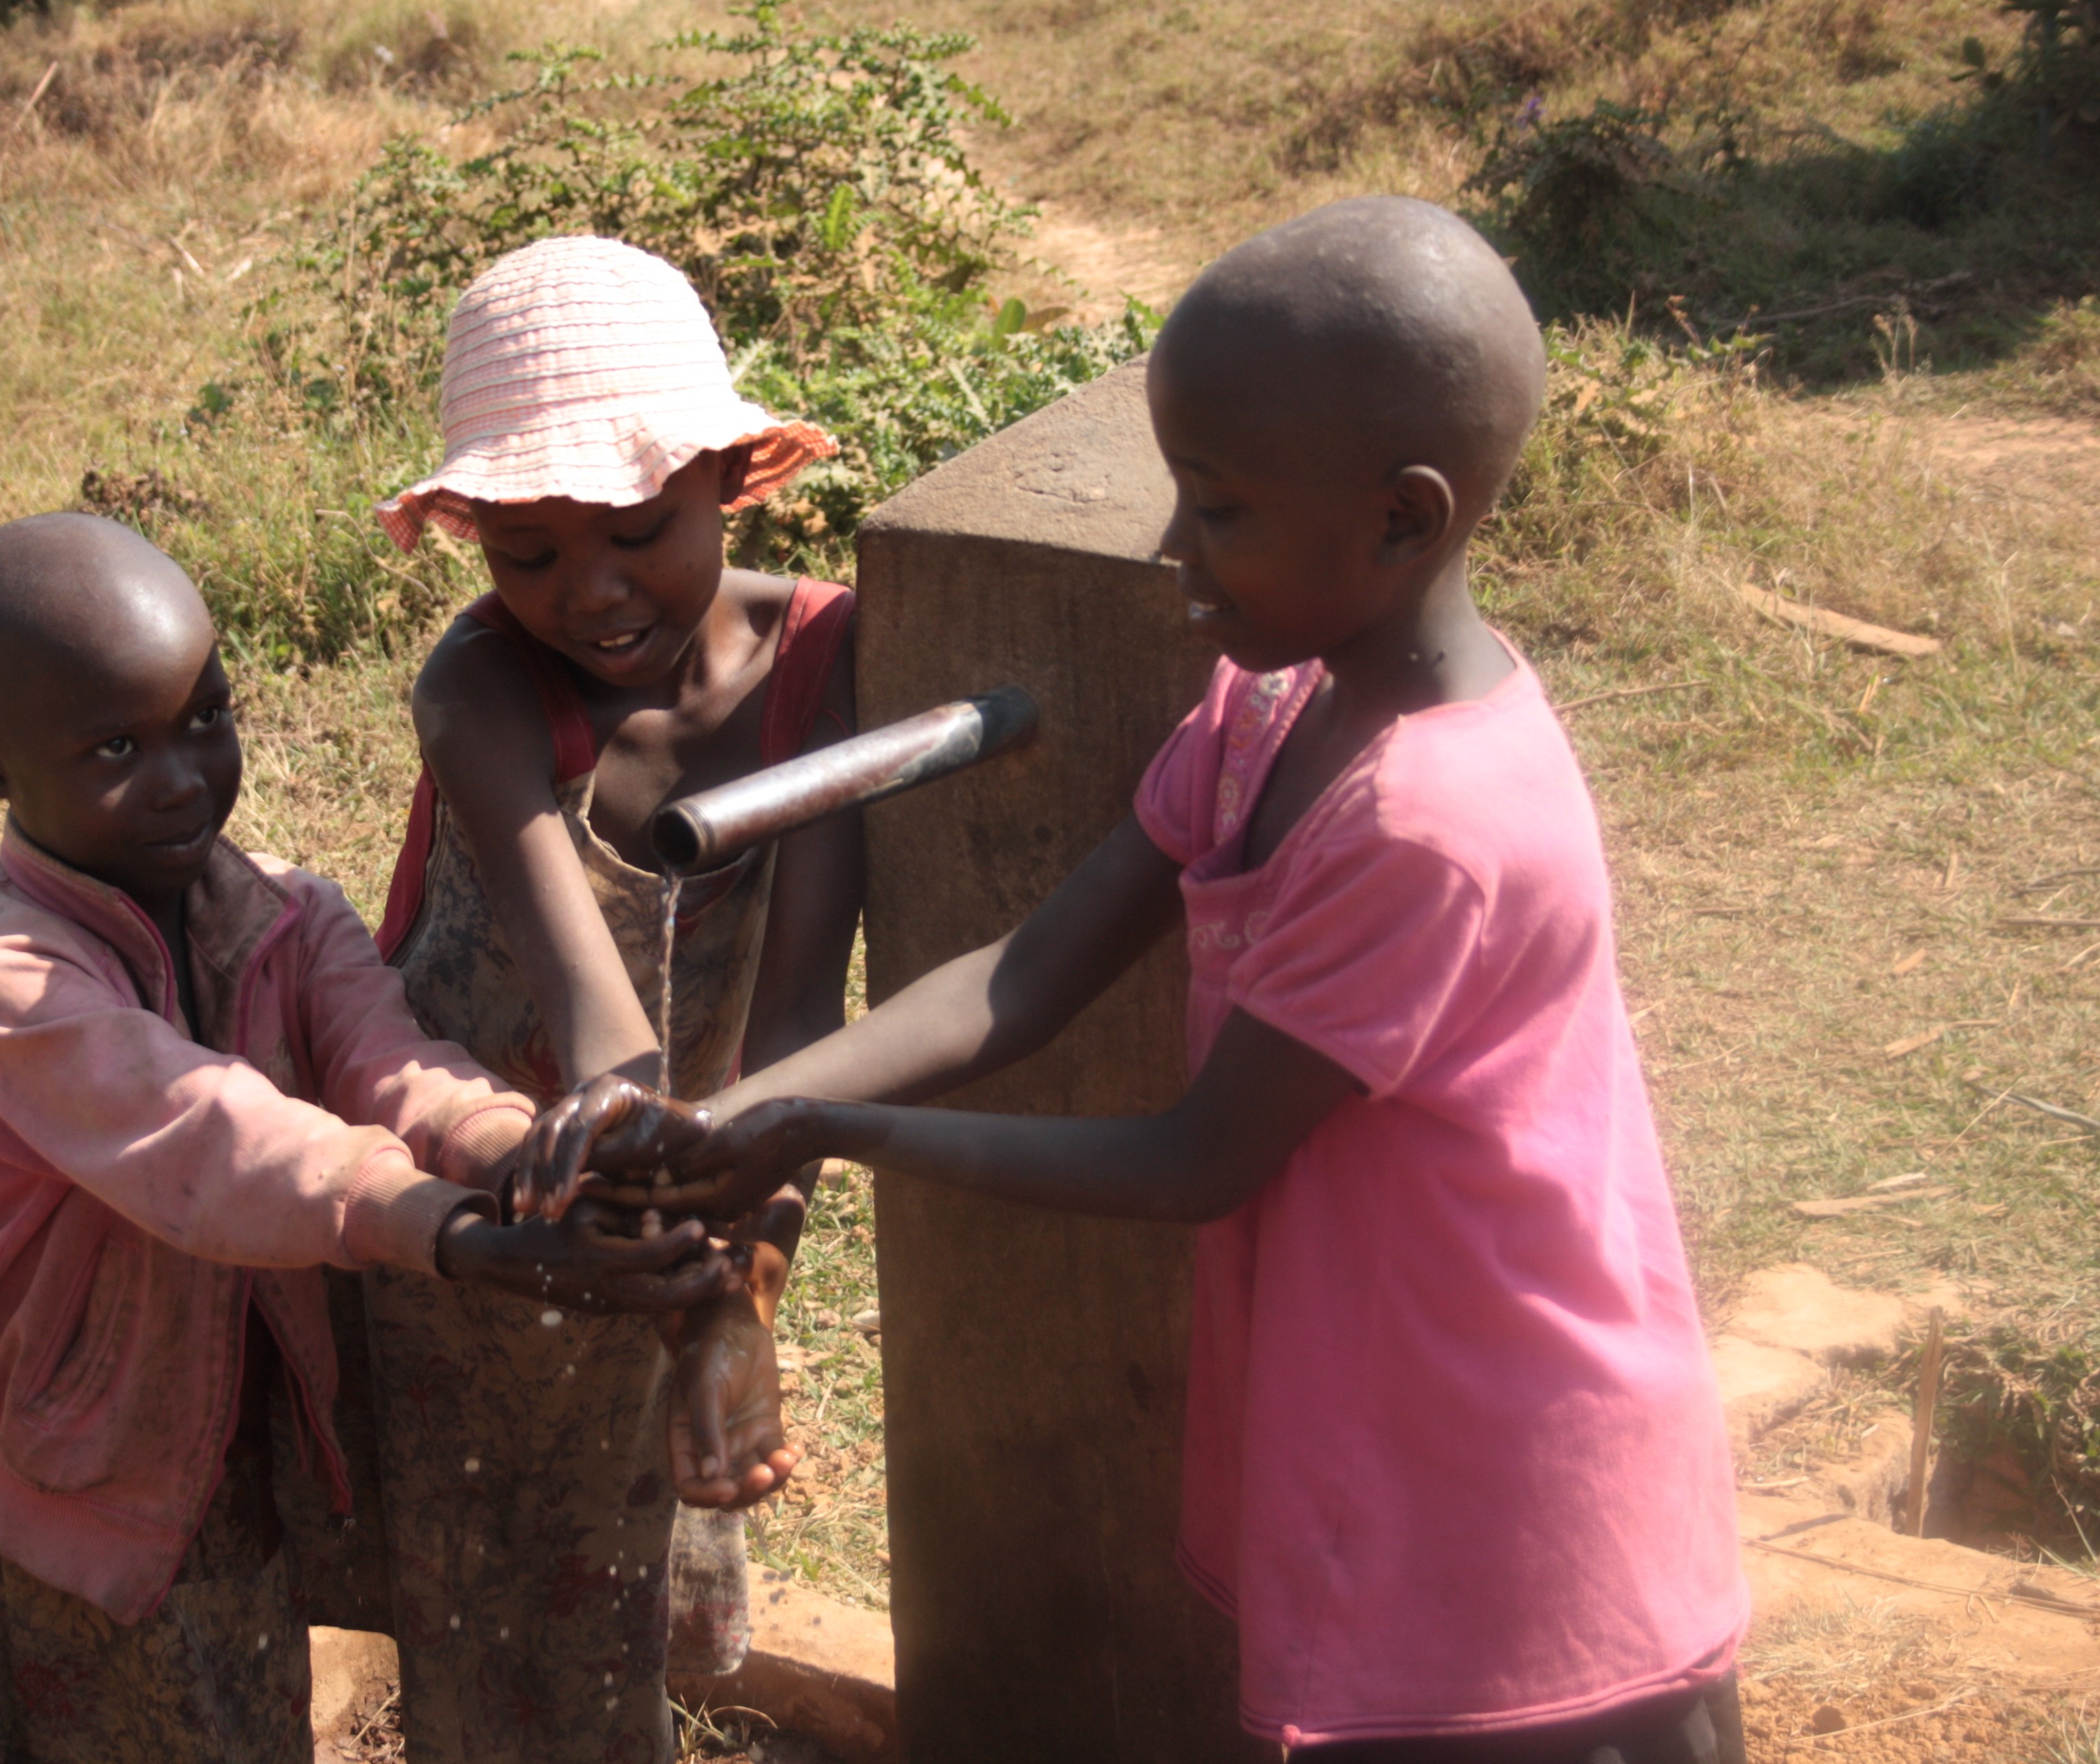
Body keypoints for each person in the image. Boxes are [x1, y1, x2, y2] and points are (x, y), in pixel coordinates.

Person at [541, 198, 1751, 1763]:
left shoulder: (1430, 824)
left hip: (1522, 1475)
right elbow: (1025, 975)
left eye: (1219, 509)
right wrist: (732, 1116)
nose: (1175, 547)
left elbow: (1195, 1163)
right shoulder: (1271, 711)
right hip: (1394, 1413)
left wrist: (832, 1132)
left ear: (1402, 521)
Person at [0, 513, 729, 1764]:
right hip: (58, 1466)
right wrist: (450, 1232)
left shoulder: (286, 913)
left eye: (206, 718)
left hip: (228, 1447)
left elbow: (387, 1059)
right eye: (117, 747)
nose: (183, 776)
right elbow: (212, 1140)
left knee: (240, 1717)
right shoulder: (13, 984)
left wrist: (520, 1152)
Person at [359, 235, 862, 1761]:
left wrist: (741, 1296)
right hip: (495, 1174)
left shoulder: (827, 660)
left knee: (630, 1525)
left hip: (691, 1181)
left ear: (729, 478)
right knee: (491, 1562)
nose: (590, 591)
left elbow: (797, 1021)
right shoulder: (481, 688)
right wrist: (697, 1274)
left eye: (640, 529)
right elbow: (602, 1035)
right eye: (527, 555)